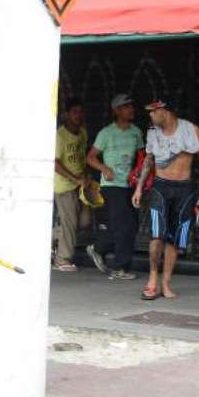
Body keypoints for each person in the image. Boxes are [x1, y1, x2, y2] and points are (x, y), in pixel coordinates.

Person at [131, 100, 199, 299]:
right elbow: (149, 160)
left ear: (164, 111)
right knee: (157, 235)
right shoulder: (152, 132)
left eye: (153, 111)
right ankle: (152, 278)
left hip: (185, 189)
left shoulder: (190, 130)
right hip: (160, 187)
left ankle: (166, 282)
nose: (150, 115)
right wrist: (139, 188)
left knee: (175, 239)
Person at [86, 94, 144, 281]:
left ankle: (99, 248)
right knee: (122, 226)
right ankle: (121, 269)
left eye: (131, 106)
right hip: (111, 186)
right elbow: (90, 157)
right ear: (117, 111)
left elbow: (142, 157)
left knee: (132, 225)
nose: (131, 109)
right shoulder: (106, 133)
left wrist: (138, 174)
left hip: (130, 185)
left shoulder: (136, 132)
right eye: (127, 107)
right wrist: (104, 168)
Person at [53, 99, 96, 272]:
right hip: (64, 186)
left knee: (84, 221)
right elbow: (54, 163)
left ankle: (46, 236)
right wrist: (74, 178)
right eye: (74, 112)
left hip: (81, 184)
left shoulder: (83, 133)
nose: (78, 116)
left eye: (80, 112)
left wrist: (85, 177)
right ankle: (62, 260)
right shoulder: (60, 136)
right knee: (70, 224)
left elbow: (82, 156)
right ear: (67, 115)